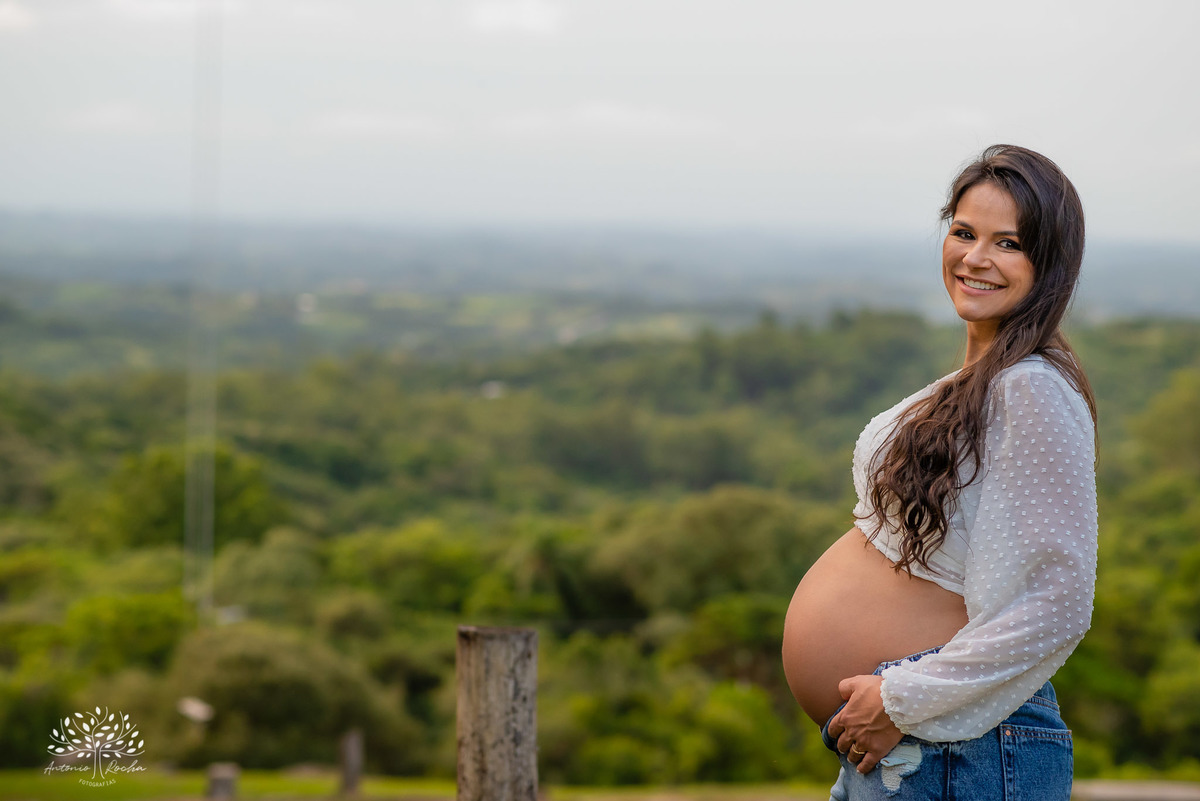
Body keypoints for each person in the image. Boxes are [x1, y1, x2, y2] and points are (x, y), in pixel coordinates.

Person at [780, 144, 1098, 801]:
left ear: (1050, 263)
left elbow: (1057, 600)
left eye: (1008, 242)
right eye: (963, 232)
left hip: (959, 749)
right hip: (912, 750)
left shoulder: (1031, 387)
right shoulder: (978, 382)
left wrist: (900, 697)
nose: (976, 257)